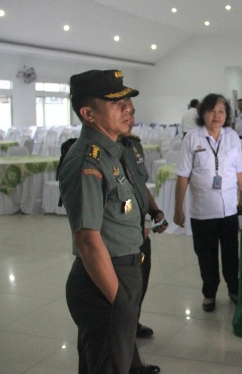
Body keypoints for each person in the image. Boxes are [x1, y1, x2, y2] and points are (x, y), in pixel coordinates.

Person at [59, 69, 158, 373]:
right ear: (88, 113)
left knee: (110, 358)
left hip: (121, 269)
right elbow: (87, 240)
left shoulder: (111, 152)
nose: (128, 108)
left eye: (127, 102)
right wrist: (119, 300)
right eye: (116, 103)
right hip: (105, 277)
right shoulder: (88, 160)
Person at [173, 93, 242, 312]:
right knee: (206, 256)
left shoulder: (232, 137)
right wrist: (178, 209)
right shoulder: (192, 138)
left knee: (230, 255)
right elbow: (182, 176)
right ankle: (209, 293)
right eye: (211, 111)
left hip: (227, 209)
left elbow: (239, 172)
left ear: (226, 115)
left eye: (221, 111)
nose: (216, 115)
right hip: (202, 211)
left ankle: (234, 289)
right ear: (202, 114)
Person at [119, 100, 165, 374]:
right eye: (123, 112)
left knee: (140, 284)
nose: (130, 118)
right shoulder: (101, 152)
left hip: (139, 234)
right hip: (120, 239)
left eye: (133, 113)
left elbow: (140, 184)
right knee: (120, 300)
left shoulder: (134, 146)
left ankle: (132, 323)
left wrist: (155, 210)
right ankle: (129, 357)